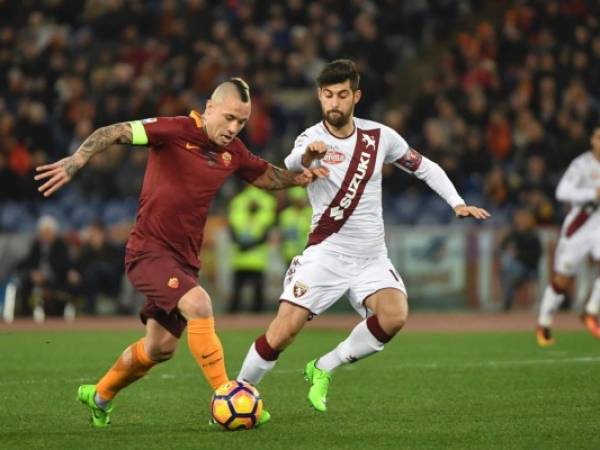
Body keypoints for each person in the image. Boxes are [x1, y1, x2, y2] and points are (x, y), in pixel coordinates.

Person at [34, 78, 325, 427]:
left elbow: (263, 175)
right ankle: (228, 397)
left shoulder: (232, 153)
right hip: (148, 252)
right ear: (210, 107)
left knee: (159, 348)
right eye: (229, 118)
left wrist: (299, 178)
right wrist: (77, 159)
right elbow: (115, 131)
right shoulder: (174, 130)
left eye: (242, 122)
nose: (233, 128)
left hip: (185, 261)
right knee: (199, 304)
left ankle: (99, 396)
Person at [236, 60, 489, 413]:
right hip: (326, 253)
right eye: (327, 96)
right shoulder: (312, 137)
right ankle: (237, 391)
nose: (334, 103)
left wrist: (457, 202)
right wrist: (309, 157)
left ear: (356, 96)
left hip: (371, 257)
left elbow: (424, 166)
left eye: (342, 95)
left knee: (394, 315)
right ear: (319, 96)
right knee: (282, 333)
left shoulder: (379, 137)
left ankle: (324, 366)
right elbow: (293, 162)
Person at [536, 126, 600, 347]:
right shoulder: (581, 165)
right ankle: (544, 323)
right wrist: (593, 193)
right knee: (562, 278)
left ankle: (591, 311)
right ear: (592, 140)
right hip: (579, 226)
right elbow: (562, 192)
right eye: (599, 137)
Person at [227, 185, 277, 313]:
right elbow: (232, 233)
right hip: (243, 260)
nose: (252, 205)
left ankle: (254, 319)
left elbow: (265, 236)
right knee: (238, 293)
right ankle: (234, 318)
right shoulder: (245, 218)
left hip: (254, 261)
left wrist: (246, 245)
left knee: (257, 295)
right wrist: (249, 245)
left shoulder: (256, 219)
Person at [498, 208, 542, 311]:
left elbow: (536, 255)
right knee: (507, 270)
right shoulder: (514, 233)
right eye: (519, 219)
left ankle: (507, 302)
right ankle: (506, 301)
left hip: (529, 267)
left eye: (523, 219)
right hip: (515, 267)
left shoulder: (533, 236)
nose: (521, 221)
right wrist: (506, 245)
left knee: (510, 271)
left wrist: (519, 254)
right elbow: (502, 246)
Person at [278, 187, 312, 266]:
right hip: (288, 254)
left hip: (305, 253)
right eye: (299, 199)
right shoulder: (286, 214)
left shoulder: (310, 212)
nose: (302, 201)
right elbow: (282, 234)